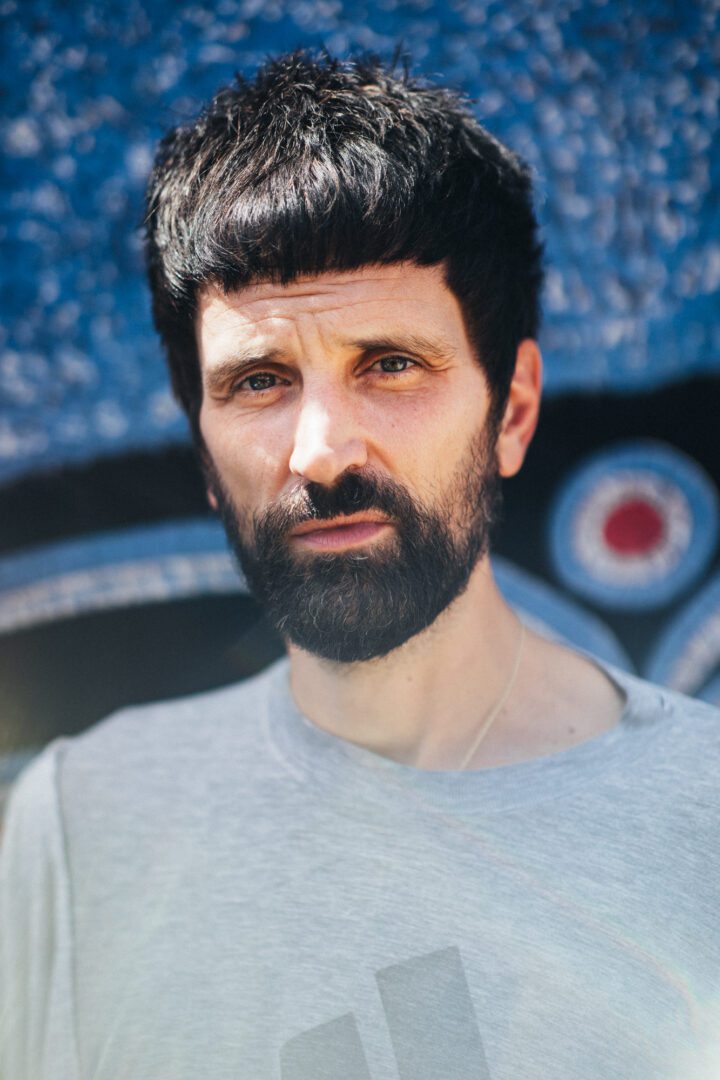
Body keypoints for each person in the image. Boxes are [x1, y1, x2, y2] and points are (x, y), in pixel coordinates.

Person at [2, 50, 719, 1080]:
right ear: (204, 452)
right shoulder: (81, 829)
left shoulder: (705, 818)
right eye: (258, 381)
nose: (321, 451)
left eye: (390, 365)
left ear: (510, 411)